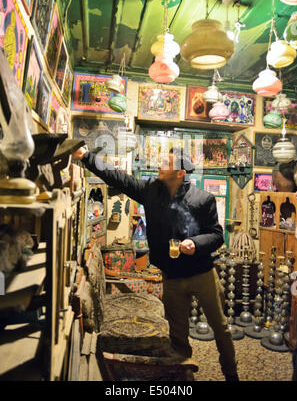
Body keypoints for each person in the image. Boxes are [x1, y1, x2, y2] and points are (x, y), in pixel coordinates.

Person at [72, 145, 239, 381]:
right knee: (177, 337)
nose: (160, 164)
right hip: (171, 277)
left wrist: (195, 243)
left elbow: (216, 235)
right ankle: (182, 377)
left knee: (220, 329)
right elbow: (118, 177)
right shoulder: (150, 190)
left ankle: (231, 374)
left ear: (180, 172)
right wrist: (86, 157)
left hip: (202, 274)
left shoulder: (203, 199)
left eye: (166, 162)